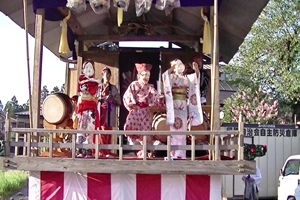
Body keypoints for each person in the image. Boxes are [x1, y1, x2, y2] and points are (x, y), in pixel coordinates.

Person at [162, 58, 203, 159]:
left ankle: (181, 154)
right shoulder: (172, 77)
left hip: (183, 104)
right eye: (178, 65)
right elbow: (164, 76)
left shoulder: (186, 78)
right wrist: (172, 67)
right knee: (174, 129)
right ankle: (173, 154)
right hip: (174, 104)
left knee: (182, 128)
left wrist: (196, 69)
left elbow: (196, 80)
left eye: (181, 65)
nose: (180, 67)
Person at [123, 63, 164, 158]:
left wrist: (159, 98)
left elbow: (155, 95)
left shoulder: (150, 87)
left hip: (146, 112)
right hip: (136, 110)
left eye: (148, 75)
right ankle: (136, 147)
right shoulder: (134, 85)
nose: (146, 77)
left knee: (146, 130)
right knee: (130, 124)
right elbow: (128, 95)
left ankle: (144, 150)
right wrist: (132, 103)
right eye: (144, 75)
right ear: (139, 75)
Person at [76, 59, 100, 158]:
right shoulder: (81, 81)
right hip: (82, 108)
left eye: (91, 67)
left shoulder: (96, 83)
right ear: (83, 70)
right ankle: (80, 150)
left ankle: (88, 150)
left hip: (91, 109)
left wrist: (94, 82)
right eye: (87, 67)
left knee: (90, 129)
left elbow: (95, 94)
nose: (89, 69)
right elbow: (81, 91)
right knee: (81, 128)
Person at [96, 67, 121, 157]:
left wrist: (112, 99)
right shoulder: (98, 88)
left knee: (108, 132)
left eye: (109, 75)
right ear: (102, 75)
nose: (107, 76)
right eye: (105, 74)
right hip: (100, 111)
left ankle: (107, 151)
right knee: (101, 131)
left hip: (109, 112)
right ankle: (102, 152)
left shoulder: (113, 88)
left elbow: (119, 101)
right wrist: (101, 99)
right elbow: (94, 99)